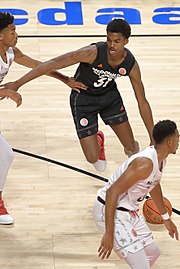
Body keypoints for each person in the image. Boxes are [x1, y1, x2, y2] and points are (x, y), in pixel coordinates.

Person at [1, 18, 154, 173]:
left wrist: (153, 138)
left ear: (126, 41)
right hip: (83, 99)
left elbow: (142, 102)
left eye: (117, 41)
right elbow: (51, 63)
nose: (112, 46)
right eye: (109, 40)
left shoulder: (130, 64)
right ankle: (98, 141)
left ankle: (139, 176)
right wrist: (19, 84)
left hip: (109, 98)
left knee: (131, 147)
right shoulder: (91, 53)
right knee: (93, 159)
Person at [0, 11, 86, 225]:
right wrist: (7, 92)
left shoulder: (11, 52)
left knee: (5, 155)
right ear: (0, 36)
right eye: (12, 31)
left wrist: (65, 79)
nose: (16, 34)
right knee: (5, 155)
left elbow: (40, 66)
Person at [93, 119, 179, 269]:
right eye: (178, 137)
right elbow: (112, 192)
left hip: (129, 212)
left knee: (153, 253)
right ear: (169, 142)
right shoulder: (144, 163)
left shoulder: (160, 160)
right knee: (142, 266)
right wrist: (109, 232)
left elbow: (154, 184)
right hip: (111, 210)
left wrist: (166, 218)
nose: (179, 141)